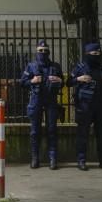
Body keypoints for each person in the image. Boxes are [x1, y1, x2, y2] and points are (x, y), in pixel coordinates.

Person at [67, 42, 102, 172]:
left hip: (101, 104)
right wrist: (79, 79)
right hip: (85, 105)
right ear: (87, 54)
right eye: (94, 54)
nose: (96, 56)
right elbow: (68, 82)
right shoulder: (80, 66)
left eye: (98, 53)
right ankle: (81, 161)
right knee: (83, 134)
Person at [20, 40, 63, 170]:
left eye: (45, 51)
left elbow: (63, 82)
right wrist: (32, 80)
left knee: (52, 130)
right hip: (36, 99)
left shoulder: (55, 66)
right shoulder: (31, 66)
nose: (43, 53)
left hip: (51, 100)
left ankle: (53, 158)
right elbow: (22, 82)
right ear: (36, 52)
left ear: (48, 52)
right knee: (34, 131)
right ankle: (35, 158)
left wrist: (59, 80)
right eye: (40, 51)